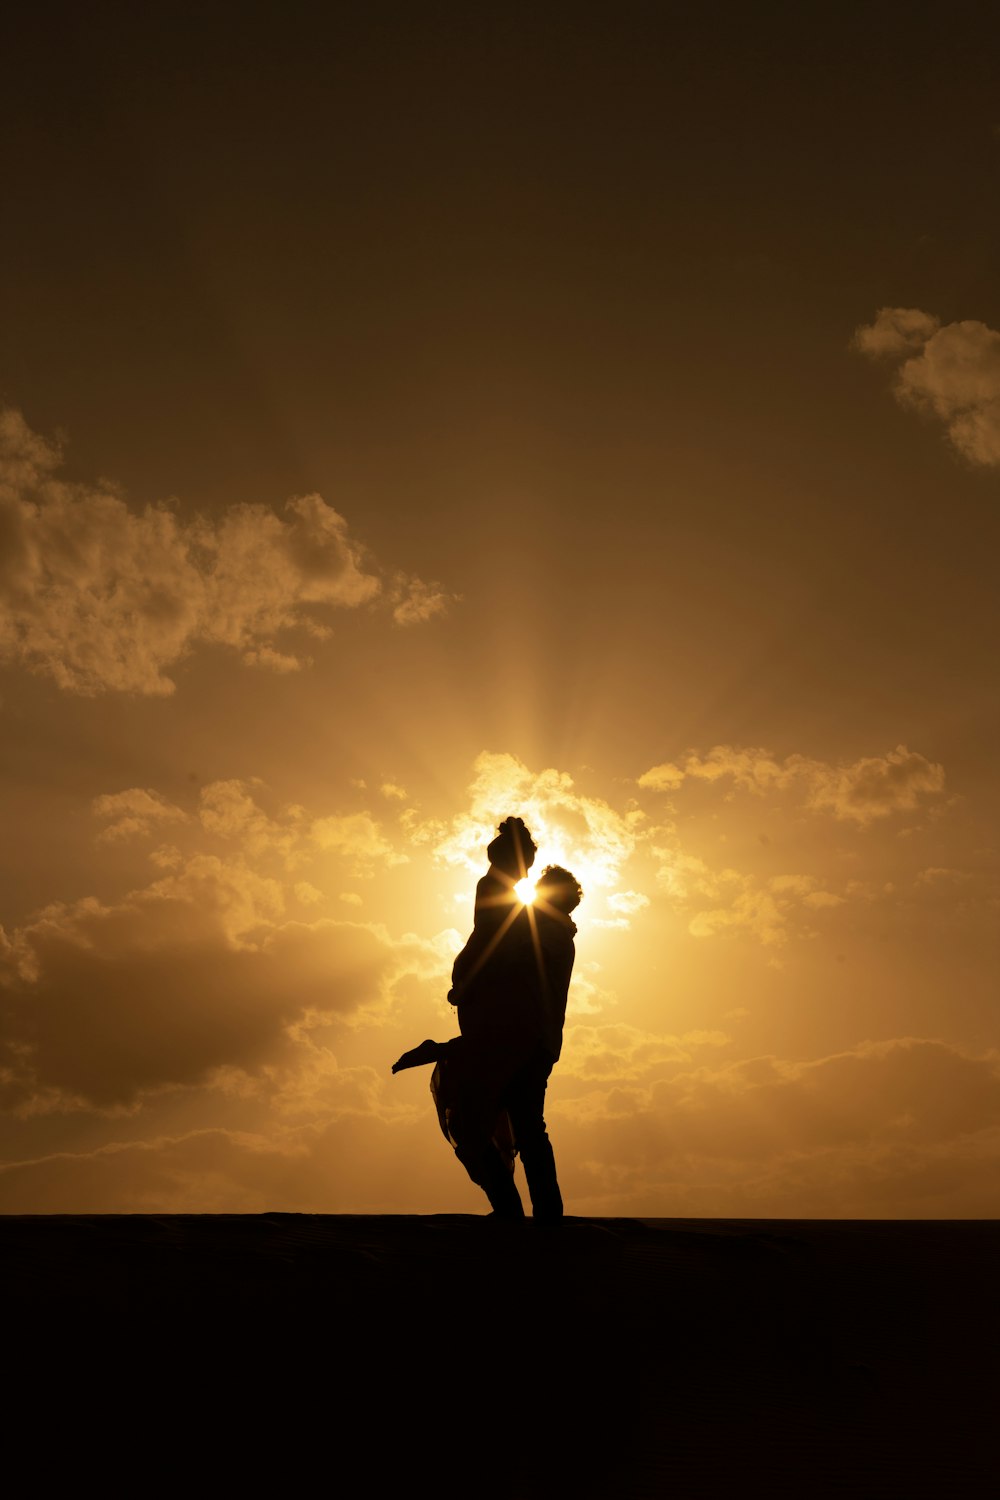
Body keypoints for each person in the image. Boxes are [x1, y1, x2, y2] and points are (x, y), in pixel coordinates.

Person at [392, 816, 582, 1223]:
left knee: (476, 1125)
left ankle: (513, 1211)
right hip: (535, 1044)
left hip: (513, 1041)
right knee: (527, 1129)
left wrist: (462, 992)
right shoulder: (551, 934)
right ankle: (542, 1216)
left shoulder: (533, 931)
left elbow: (494, 964)